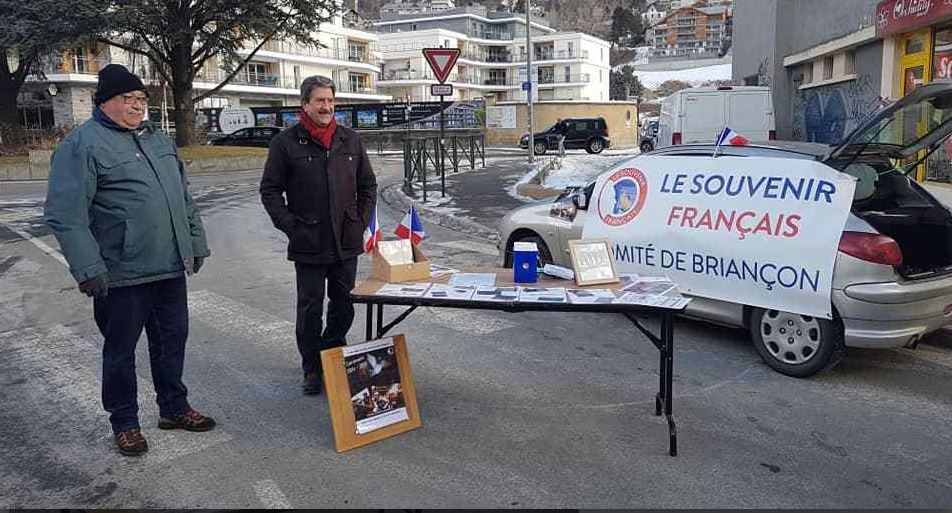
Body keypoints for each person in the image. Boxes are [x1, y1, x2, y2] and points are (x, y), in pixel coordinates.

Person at [44, 64, 215, 457]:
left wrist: (195, 244)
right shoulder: (82, 144)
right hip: (120, 273)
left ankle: (173, 408)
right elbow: (65, 214)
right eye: (129, 98)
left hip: (169, 266)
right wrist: (88, 268)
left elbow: (183, 198)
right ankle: (125, 423)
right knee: (120, 353)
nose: (138, 106)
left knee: (171, 342)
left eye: (141, 99)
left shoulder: (158, 139)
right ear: (106, 101)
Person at [260, 75, 378, 396]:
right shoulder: (285, 143)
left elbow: (368, 186)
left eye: (330, 100)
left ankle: (332, 355)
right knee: (310, 309)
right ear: (305, 104)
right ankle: (311, 367)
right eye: (320, 101)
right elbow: (270, 191)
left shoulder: (350, 140)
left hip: (346, 240)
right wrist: (291, 226)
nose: (326, 107)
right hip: (308, 240)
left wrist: (359, 222)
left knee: (344, 305)